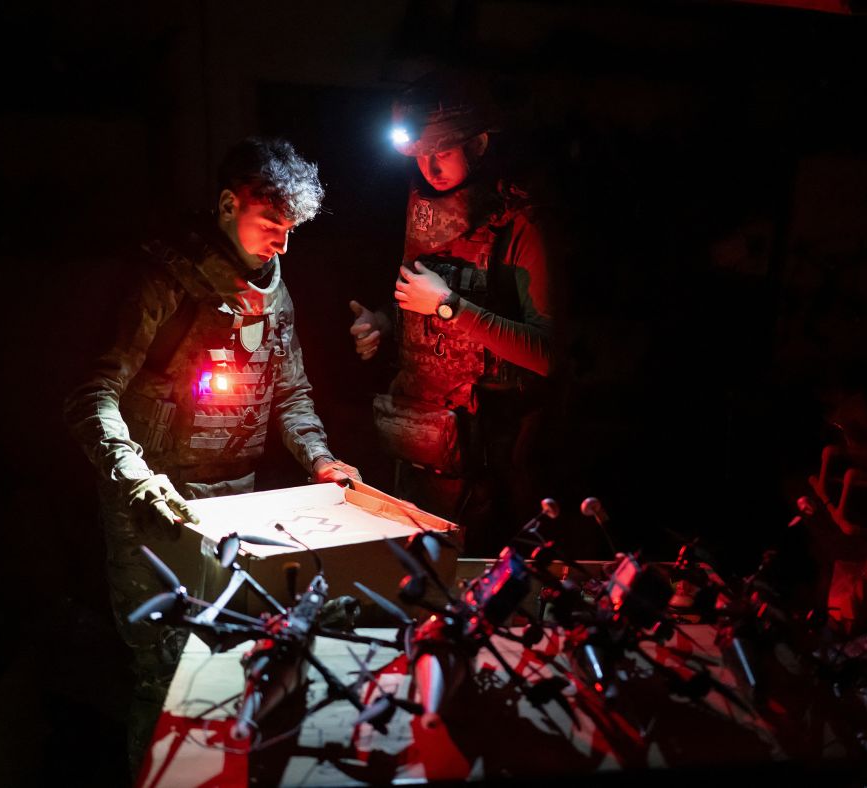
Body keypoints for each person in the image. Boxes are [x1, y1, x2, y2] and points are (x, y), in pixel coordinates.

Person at [64, 136, 360, 775]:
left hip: (241, 504)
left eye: (291, 231)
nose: (282, 244)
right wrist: (136, 477)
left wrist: (320, 460)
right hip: (157, 506)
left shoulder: (276, 291)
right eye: (271, 226)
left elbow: (293, 392)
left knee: (231, 662)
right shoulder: (162, 280)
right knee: (167, 673)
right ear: (229, 205)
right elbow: (92, 394)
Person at [350, 71, 558, 555]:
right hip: (418, 449)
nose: (428, 167)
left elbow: (548, 354)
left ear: (479, 144)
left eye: (440, 153)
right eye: (420, 155)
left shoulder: (521, 224)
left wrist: (448, 307)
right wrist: (384, 320)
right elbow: (416, 295)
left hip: (487, 463)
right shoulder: (426, 209)